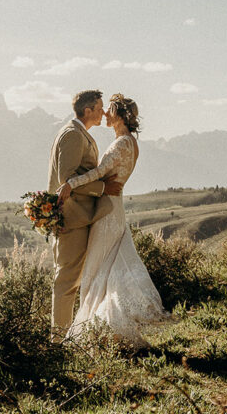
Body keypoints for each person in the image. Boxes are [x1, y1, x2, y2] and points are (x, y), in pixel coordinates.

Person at [57, 93, 167, 345]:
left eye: (109, 110)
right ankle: (106, 330)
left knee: (95, 271)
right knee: (105, 271)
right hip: (113, 208)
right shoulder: (129, 142)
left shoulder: (121, 144)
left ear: (120, 115)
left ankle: (89, 332)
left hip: (106, 211)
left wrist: (70, 184)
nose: (105, 114)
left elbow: (98, 173)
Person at [47, 89, 122, 342]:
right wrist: (103, 188)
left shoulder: (79, 134)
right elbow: (65, 181)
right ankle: (58, 342)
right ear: (87, 110)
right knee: (67, 280)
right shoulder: (72, 135)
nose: (103, 112)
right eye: (99, 107)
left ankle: (68, 337)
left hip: (79, 217)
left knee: (71, 279)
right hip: (72, 218)